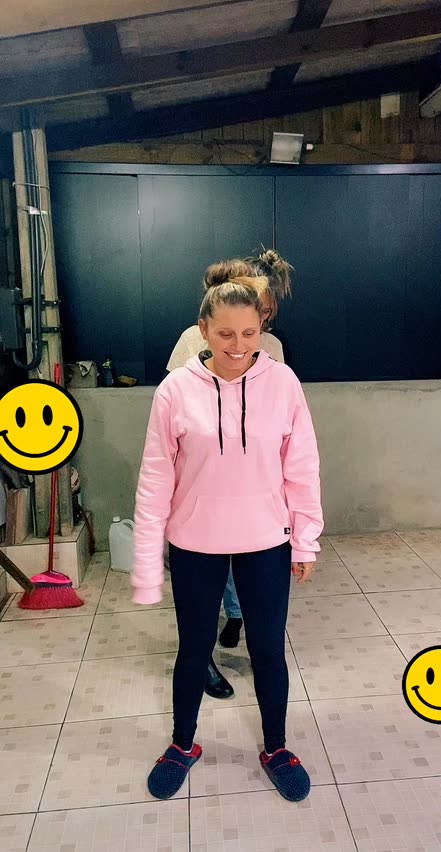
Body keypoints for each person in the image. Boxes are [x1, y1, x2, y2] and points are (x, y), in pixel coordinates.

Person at [132, 262, 323, 802]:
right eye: (225, 334)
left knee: (268, 650)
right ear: (203, 331)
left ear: (261, 329)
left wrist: (305, 539)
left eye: (249, 333)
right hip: (195, 543)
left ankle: (276, 747)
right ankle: (182, 744)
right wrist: (147, 561)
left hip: (267, 540)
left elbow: (302, 466)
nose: (238, 346)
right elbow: (155, 479)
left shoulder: (283, 383)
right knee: (193, 649)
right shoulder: (174, 391)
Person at [166, 249, 293, 700]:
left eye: (264, 317)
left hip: (256, 495)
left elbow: (283, 422)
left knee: (249, 584)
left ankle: (248, 635)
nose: (243, 341)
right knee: (200, 599)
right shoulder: (190, 341)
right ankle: (202, 662)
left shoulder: (272, 349)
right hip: (203, 494)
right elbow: (175, 416)